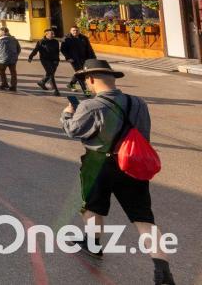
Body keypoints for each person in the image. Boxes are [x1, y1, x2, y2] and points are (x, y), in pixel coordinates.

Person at [60, 59, 175, 285]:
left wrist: (66, 114)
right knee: (143, 218)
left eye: (86, 81)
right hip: (131, 163)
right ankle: (163, 272)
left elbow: (73, 131)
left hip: (97, 163)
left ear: (91, 79)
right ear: (112, 79)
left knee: (92, 206)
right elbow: (143, 133)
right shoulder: (138, 103)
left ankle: (93, 244)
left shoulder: (90, 106)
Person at [62, 26, 97, 95]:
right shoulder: (66, 39)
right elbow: (63, 50)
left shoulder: (84, 38)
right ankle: (86, 92)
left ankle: (71, 84)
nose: (75, 32)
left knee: (79, 73)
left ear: (79, 31)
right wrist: (68, 58)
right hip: (74, 59)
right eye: (73, 30)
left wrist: (93, 57)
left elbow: (89, 48)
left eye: (77, 30)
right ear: (70, 31)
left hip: (85, 59)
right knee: (81, 74)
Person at [28, 28, 62, 96]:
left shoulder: (55, 41)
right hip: (45, 60)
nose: (53, 35)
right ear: (46, 34)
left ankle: (42, 82)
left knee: (50, 74)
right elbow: (35, 50)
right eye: (51, 34)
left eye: (53, 34)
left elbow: (57, 51)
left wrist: (57, 60)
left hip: (54, 60)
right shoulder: (41, 42)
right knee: (51, 74)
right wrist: (30, 57)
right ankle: (55, 90)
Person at [0, 27, 21, 92]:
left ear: (1, 32)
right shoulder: (14, 39)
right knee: (13, 72)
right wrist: (16, 55)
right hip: (13, 59)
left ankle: (4, 84)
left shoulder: (0, 40)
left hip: (3, 59)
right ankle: (13, 86)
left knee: (2, 71)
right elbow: (19, 49)